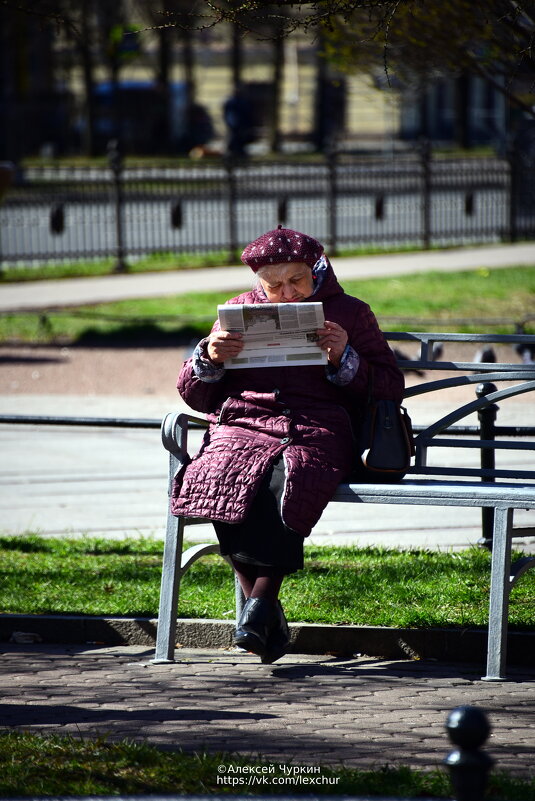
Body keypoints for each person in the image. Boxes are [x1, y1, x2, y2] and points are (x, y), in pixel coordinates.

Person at [172, 226, 404, 664]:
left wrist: (344, 358)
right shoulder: (238, 311)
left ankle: (259, 605)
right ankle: (264, 615)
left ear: (316, 271)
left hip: (317, 426)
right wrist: (209, 357)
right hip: (244, 423)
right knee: (214, 474)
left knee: (290, 477)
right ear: (257, 281)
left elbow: (391, 385)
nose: (287, 293)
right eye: (273, 285)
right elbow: (193, 393)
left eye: (296, 281)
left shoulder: (351, 313)